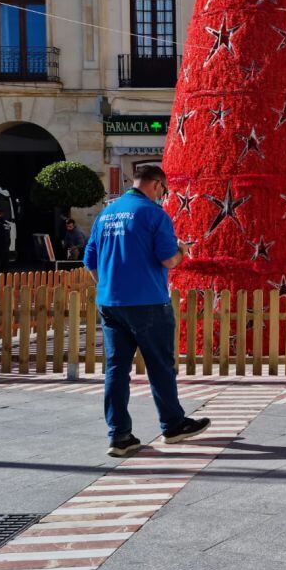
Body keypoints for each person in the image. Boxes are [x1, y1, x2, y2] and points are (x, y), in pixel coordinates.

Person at [83, 165, 210, 457]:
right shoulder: (154, 214)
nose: (162, 195)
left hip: (110, 304)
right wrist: (182, 251)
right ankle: (173, 425)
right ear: (156, 185)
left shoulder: (106, 214)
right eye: (163, 190)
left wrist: (109, 286)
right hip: (148, 302)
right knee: (159, 366)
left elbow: (90, 261)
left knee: (116, 370)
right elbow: (168, 260)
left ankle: (119, 436)